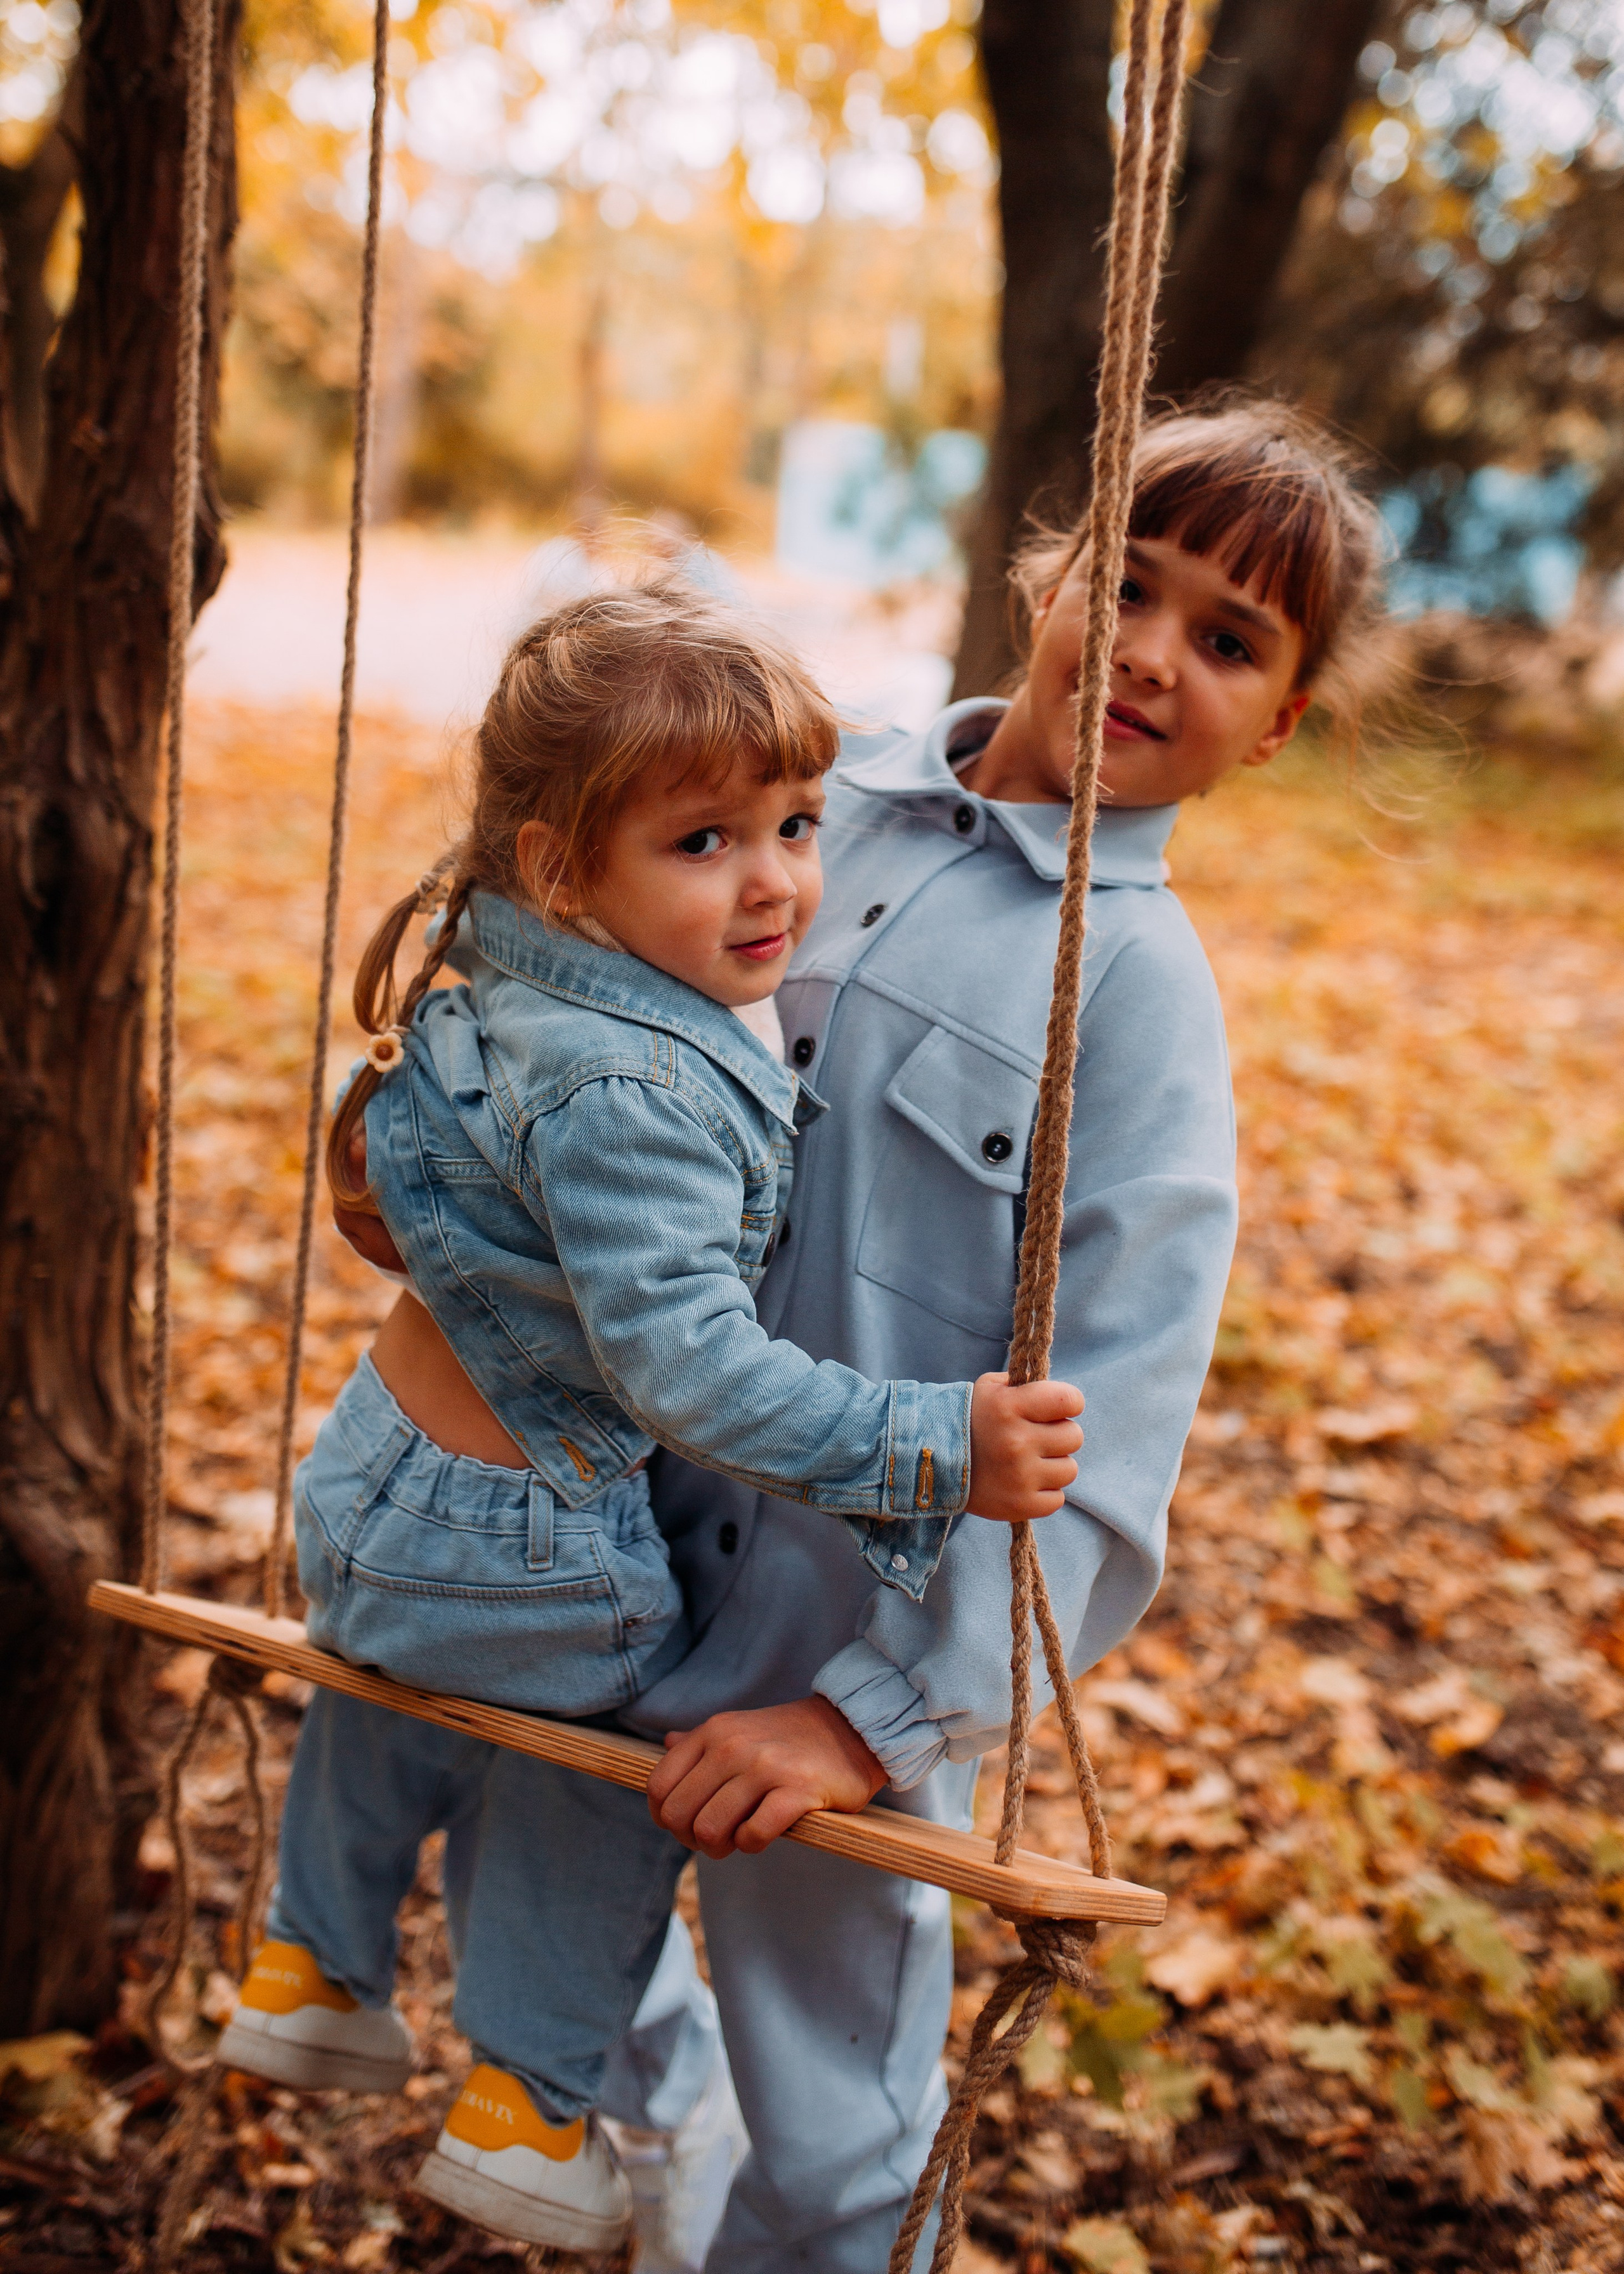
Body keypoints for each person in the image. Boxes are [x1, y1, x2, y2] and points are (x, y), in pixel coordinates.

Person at [582, 398, 1396, 2273]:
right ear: (1047, 573)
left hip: (828, 1637)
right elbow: (578, 1005)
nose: (1148, 650)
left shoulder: (1141, 1003)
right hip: (595, 1536)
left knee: (845, 2144)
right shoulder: (807, 785)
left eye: (1228, 638)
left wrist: (869, 1722)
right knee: (550, 1992)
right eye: (1130, 582)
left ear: (1278, 722)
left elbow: (1105, 1442)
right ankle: (654, 2172)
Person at [218, 583, 1084, 2254]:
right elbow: (685, 1373)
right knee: (628, 1755)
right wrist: (930, 1445)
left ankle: (307, 1964)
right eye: (705, 842)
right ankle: (530, 2102)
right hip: (523, 1540)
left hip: (368, 1498)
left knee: (393, 1681)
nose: (775, 881)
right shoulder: (639, 1091)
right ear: (564, 867)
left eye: (796, 824)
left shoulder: (497, 982)